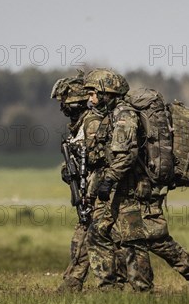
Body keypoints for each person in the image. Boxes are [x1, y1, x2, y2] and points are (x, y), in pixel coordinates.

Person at [84, 68, 189, 292]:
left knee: (136, 239)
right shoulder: (113, 114)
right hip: (126, 187)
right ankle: (113, 288)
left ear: (107, 92)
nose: (90, 98)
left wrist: (109, 180)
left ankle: (144, 290)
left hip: (134, 188)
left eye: (93, 93)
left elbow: (127, 155)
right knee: (108, 233)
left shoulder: (124, 115)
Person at [51, 72, 132, 292]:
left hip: (99, 189)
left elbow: (100, 160)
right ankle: (74, 282)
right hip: (90, 188)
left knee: (102, 236)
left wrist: (93, 190)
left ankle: (112, 283)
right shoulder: (79, 124)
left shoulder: (92, 123)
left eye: (64, 102)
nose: (62, 107)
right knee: (90, 235)